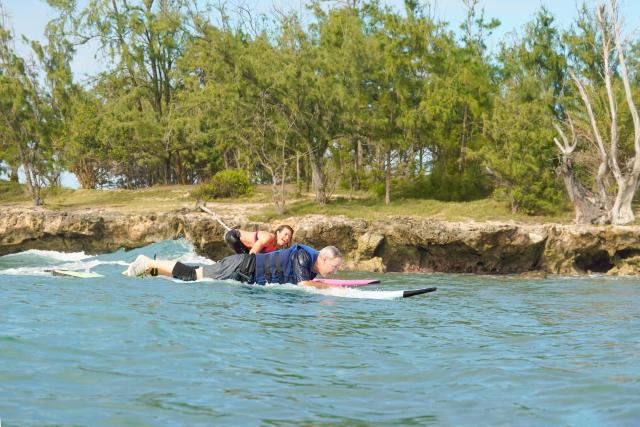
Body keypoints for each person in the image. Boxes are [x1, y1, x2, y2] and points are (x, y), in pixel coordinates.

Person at [123, 244, 342, 288]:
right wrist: (332, 288)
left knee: (187, 276)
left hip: (242, 270)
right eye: (333, 267)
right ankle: (148, 261)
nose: (335, 272)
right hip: (241, 267)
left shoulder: (310, 264)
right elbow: (304, 284)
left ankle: (146, 271)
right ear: (322, 259)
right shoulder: (303, 257)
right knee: (191, 275)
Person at [224, 225, 294, 254]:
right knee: (247, 258)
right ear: (278, 233)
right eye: (285, 234)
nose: (287, 238)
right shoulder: (268, 238)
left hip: (246, 248)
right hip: (234, 236)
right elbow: (252, 253)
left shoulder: (276, 247)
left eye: (289, 237)